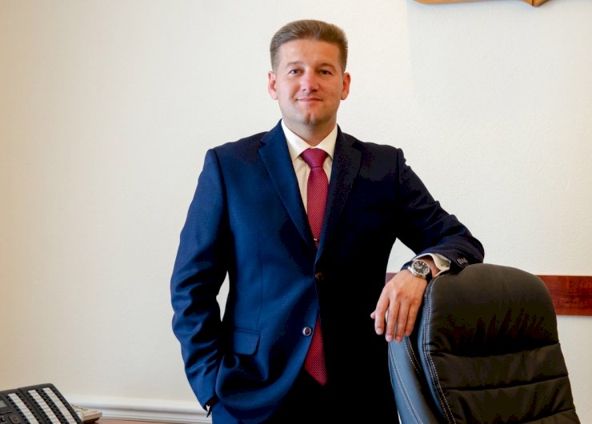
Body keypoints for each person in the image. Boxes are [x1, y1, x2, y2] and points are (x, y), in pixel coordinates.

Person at [170, 19, 484, 424]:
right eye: (295, 70)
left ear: (344, 84)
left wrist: (418, 270)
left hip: (360, 393)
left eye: (324, 70)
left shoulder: (384, 167)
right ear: (273, 84)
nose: (309, 83)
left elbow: (460, 241)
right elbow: (190, 287)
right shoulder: (229, 167)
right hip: (251, 394)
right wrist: (211, 389)